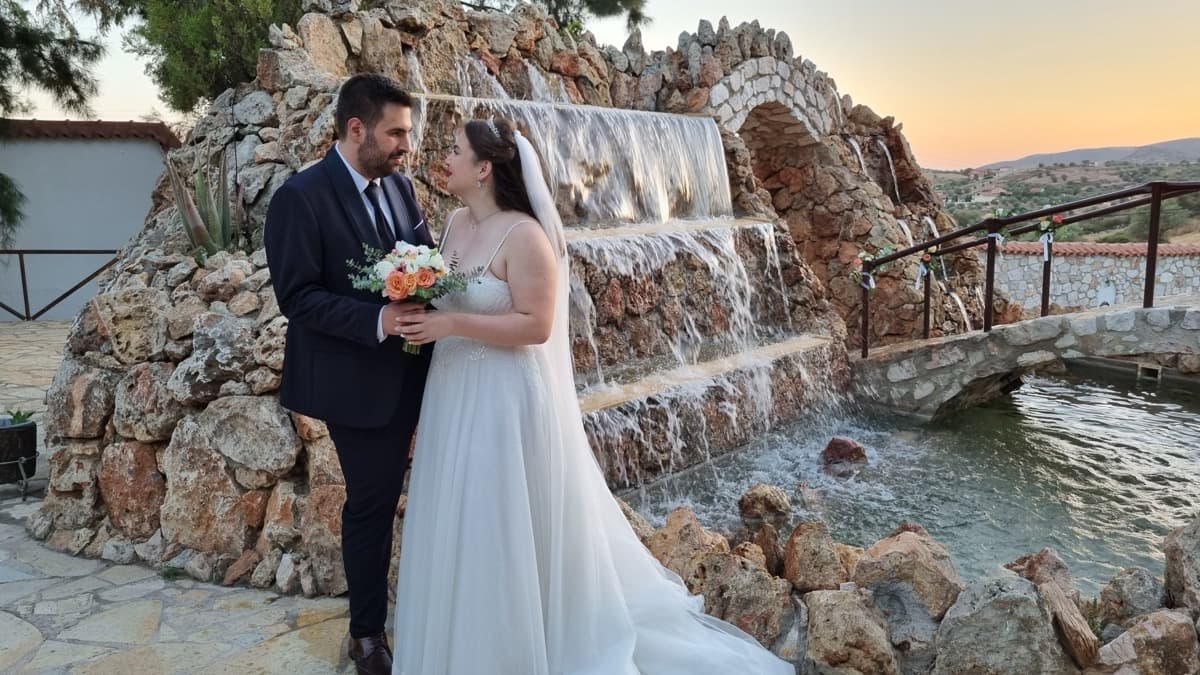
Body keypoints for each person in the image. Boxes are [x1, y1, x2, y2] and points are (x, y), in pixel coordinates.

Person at [389, 117, 792, 674]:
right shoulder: (455, 223)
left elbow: (536, 327)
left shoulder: (526, 236)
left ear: (483, 168)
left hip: (504, 399)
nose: (444, 156)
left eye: (455, 150)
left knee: (499, 520)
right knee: (457, 518)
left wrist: (450, 324)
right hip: (452, 390)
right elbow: (448, 294)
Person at [264, 73, 434, 675]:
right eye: (396, 133)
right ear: (355, 128)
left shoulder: (402, 188)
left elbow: (425, 262)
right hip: (356, 384)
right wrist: (378, 320)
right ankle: (367, 636)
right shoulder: (300, 197)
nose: (406, 145)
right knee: (372, 503)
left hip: (421, 371)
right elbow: (298, 297)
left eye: (407, 133)